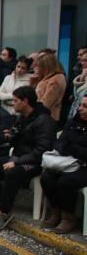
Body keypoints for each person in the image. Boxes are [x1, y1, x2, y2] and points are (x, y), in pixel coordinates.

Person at [0, 86, 56, 230]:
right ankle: (1, 200)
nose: (13, 104)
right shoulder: (22, 117)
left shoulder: (44, 120)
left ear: (25, 101)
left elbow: (42, 150)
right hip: (19, 156)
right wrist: (12, 136)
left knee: (13, 172)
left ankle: (4, 214)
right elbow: (21, 140)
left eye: (15, 101)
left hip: (35, 161)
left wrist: (17, 162)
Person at [40, 95, 87, 233]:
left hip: (84, 166)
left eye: (85, 106)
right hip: (68, 162)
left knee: (65, 182)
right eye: (81, 105)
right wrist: (75, 149)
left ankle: (68, 218)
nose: (80, 109)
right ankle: (56, 213)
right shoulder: (74, 122)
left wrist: (72, 148)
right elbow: (60, 142)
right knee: (47, 177)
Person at [34, 53, 67, 123]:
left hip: (48, 117)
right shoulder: (47, 77)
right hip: (41, 115)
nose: (37, 68)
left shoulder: (56, 79)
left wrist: (34, 111)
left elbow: (47, 102)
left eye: (39, 66)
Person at [68, 50, 87, 121]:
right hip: (77, 112)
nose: (83, 63)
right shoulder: (82, 75)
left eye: (86, 60)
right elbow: (76, 95)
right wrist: (82, 78)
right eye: (82, 60)